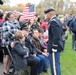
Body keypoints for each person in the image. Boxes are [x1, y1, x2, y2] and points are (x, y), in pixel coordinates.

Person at [44, 8, 63, 75]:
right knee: (56, 64)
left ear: (50, 14)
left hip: (54, 47)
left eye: (46, 15)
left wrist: (54, 46)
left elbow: (56, 36)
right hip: (57, 45)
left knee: (54, 65)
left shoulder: (53, 22)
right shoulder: (57, 20)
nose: (46, 16)